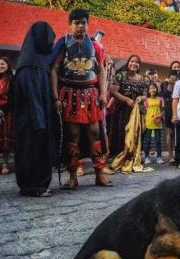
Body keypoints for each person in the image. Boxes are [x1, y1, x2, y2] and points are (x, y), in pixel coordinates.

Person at [51, 9, 111, 189]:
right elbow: (54, 68)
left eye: (83, 23)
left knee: (95, 133)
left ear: (87, 24)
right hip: (70, 94)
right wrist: (55, 97)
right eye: (76, 23)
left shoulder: (95, 45)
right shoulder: (62, 43)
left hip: (91, 93)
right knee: (73, 135)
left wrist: (102, 93)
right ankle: (73, 177)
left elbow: (100, 69)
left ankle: (99, 174)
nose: (79, 26)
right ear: (69, 24)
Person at [13, 21, 57, 197]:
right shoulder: (30, 64)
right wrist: (39, 121)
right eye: (49, 39)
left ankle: (38, 184)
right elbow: (31, 95)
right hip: (32, 119)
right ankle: (32, 186)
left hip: (39, 117)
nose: (51, 43)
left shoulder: (37, 60)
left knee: (37, 150)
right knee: (31, 150)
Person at [109, 54, 150, 156]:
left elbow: (146, 95)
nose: (134, 64)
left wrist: (141, 98)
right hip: (121, 112)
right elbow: (113, 92)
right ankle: (119, 158)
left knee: (136, 134)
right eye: (132, 61)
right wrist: (126, 99)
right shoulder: (120, 76)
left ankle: (133, 158)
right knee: (121, 134)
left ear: (139, 65)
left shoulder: (143, 80)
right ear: (128, 63)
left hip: (137, 112)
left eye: (136, 62)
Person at [160, 60, 180, 164]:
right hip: (169, 108)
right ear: (171, 69)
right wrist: (171, 84)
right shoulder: (166, 81)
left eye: (178, 67)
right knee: (170, 132)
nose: (176, 69)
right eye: (174, 67)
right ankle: (170, 154)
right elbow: (165, 94)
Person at [141, 83, 164, 165]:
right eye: (150, 88)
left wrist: (160, 116)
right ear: (148, 90)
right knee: (147, 141)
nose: (152, 90)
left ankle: (159, 157)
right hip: (148, 123)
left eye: (154, 88)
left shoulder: (160, 99)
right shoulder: (146, 100)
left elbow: (163, 110)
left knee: (158, 141)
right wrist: (143, 123)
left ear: (157, 89)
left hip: (158, 123)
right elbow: (144, 113)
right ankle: (146, 157)